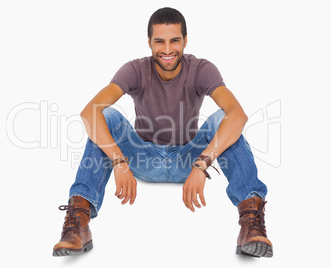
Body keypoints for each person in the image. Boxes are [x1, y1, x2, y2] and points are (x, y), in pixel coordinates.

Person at [52, 7, 273, 258]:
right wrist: (118, 160)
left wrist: (202, 164)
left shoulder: (202, 69)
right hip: (141, 157)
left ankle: (250, 224)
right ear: (149, 43)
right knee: (104, 115)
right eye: (159, 41)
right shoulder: (135, 69)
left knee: (223, 118)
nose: (167, 50)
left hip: (189, 158)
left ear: (185, 40)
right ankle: (78, 222)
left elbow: (238, 114)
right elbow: (89, 111)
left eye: (174, 41)